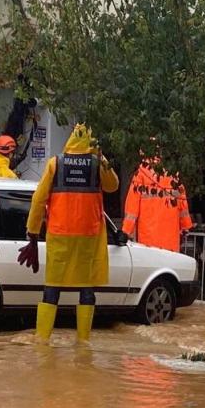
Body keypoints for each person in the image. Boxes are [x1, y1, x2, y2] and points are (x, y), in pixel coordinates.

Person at [17, 123, 119, 344]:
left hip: (59, 234)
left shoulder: (56, 163)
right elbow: (113, 187)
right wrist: (102, 159)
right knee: (86, 287)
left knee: (52, 286)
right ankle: (83, 342)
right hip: (88, 236)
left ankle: (42, 340)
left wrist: (32, 234)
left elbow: (38, 200)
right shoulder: (96, 164)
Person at [122, 154, 193, 252]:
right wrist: (185, 226)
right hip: (171, 240)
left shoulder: (142, 173)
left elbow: (132, 208)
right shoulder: (173, 173)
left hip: (148, 241)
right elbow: (182, 204)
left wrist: (126, 231)